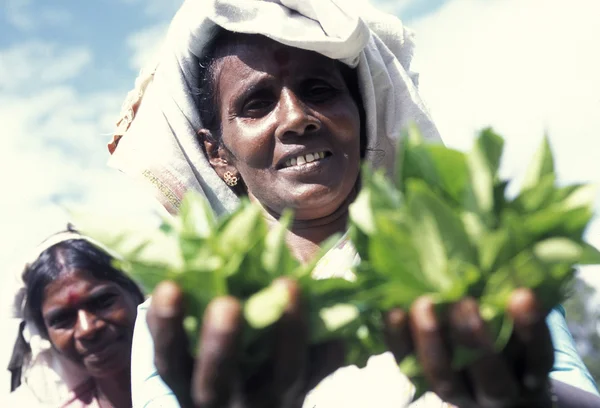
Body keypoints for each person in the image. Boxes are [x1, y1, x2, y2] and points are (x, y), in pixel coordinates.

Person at [107, 0, 600, 407]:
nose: (297, 117)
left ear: (361, 116)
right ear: (218, 153)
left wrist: (528, 394)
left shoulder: (476, 265)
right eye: (257, 103)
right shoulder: (184, 318)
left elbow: (575, 391)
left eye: (318, 90)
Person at [2, 227, 145, 407]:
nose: (87, 329)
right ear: (46, 334)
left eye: (103, 301)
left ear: (137, 295)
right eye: (62, 319)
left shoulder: (189, 379)